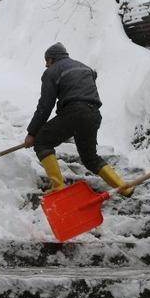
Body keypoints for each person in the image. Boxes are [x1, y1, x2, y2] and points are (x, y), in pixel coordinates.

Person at [24, 43, 133, 196]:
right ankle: (124, 187)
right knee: (90, 158)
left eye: (46, 61)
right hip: (93, 114)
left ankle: (58, 187)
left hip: (74, 112)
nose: (45, 65)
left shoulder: (52, 72)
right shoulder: (84, 68)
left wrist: (32, 133)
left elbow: (45, 106)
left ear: (51, 59)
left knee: (43, 141)